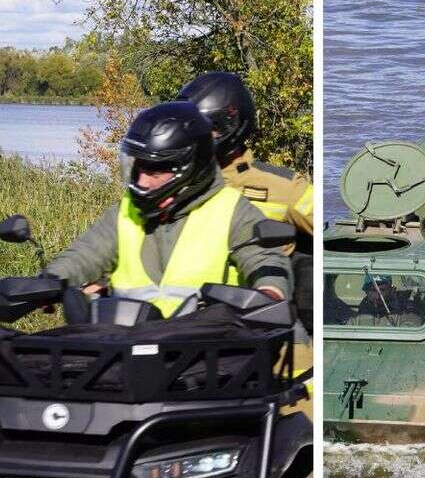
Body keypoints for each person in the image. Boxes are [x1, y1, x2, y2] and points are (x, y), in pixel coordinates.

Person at [47, 101, 291, 316]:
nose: (142, 181)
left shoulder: (231, 209)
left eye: (154, 170)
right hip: (125, 347)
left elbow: (265, 258)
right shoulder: (126, 210)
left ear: (191, 167)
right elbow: (87, 253)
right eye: (138, 167)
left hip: (207, 351)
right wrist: (48, 282)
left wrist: (269, 293)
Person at [176, 72, 315, 329]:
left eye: (209, 129)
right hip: (185, 318)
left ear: (232, 126)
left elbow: (332, 232)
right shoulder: (172, 183)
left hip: (257, 323)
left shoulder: (283, 187)